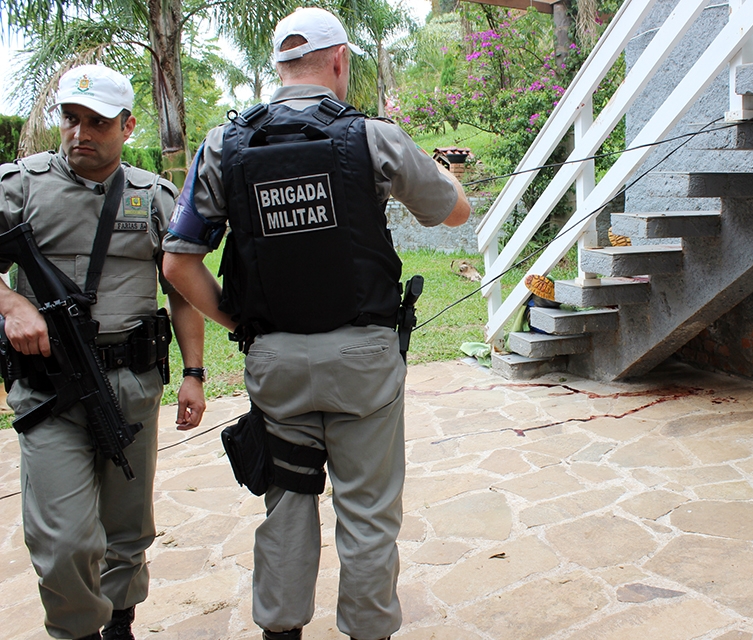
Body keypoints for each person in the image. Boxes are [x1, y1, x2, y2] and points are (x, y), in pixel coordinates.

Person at [161, 7, 470, 640]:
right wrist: (445, 176)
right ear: (339, 62)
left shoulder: (224, 145)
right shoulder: (372, 136)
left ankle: (280, 632)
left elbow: (177, 263)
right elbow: (454, 213)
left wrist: (240, 321)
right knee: (367, 512)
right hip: (363, 364)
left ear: (279, 68)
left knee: (288, 504)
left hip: (275, 364)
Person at [0, 64, 207, 640]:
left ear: (128, 125)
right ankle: (77, 630)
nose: (80, 133)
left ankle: (120, 620)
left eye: (97, 122)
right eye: (70, 119)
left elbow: (184, 292)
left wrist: (194, 373)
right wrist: (11, 305)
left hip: (132, 385)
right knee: (65, 539)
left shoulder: (154, 198)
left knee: (127, 528)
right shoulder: (20, 187)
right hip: (48, 391)